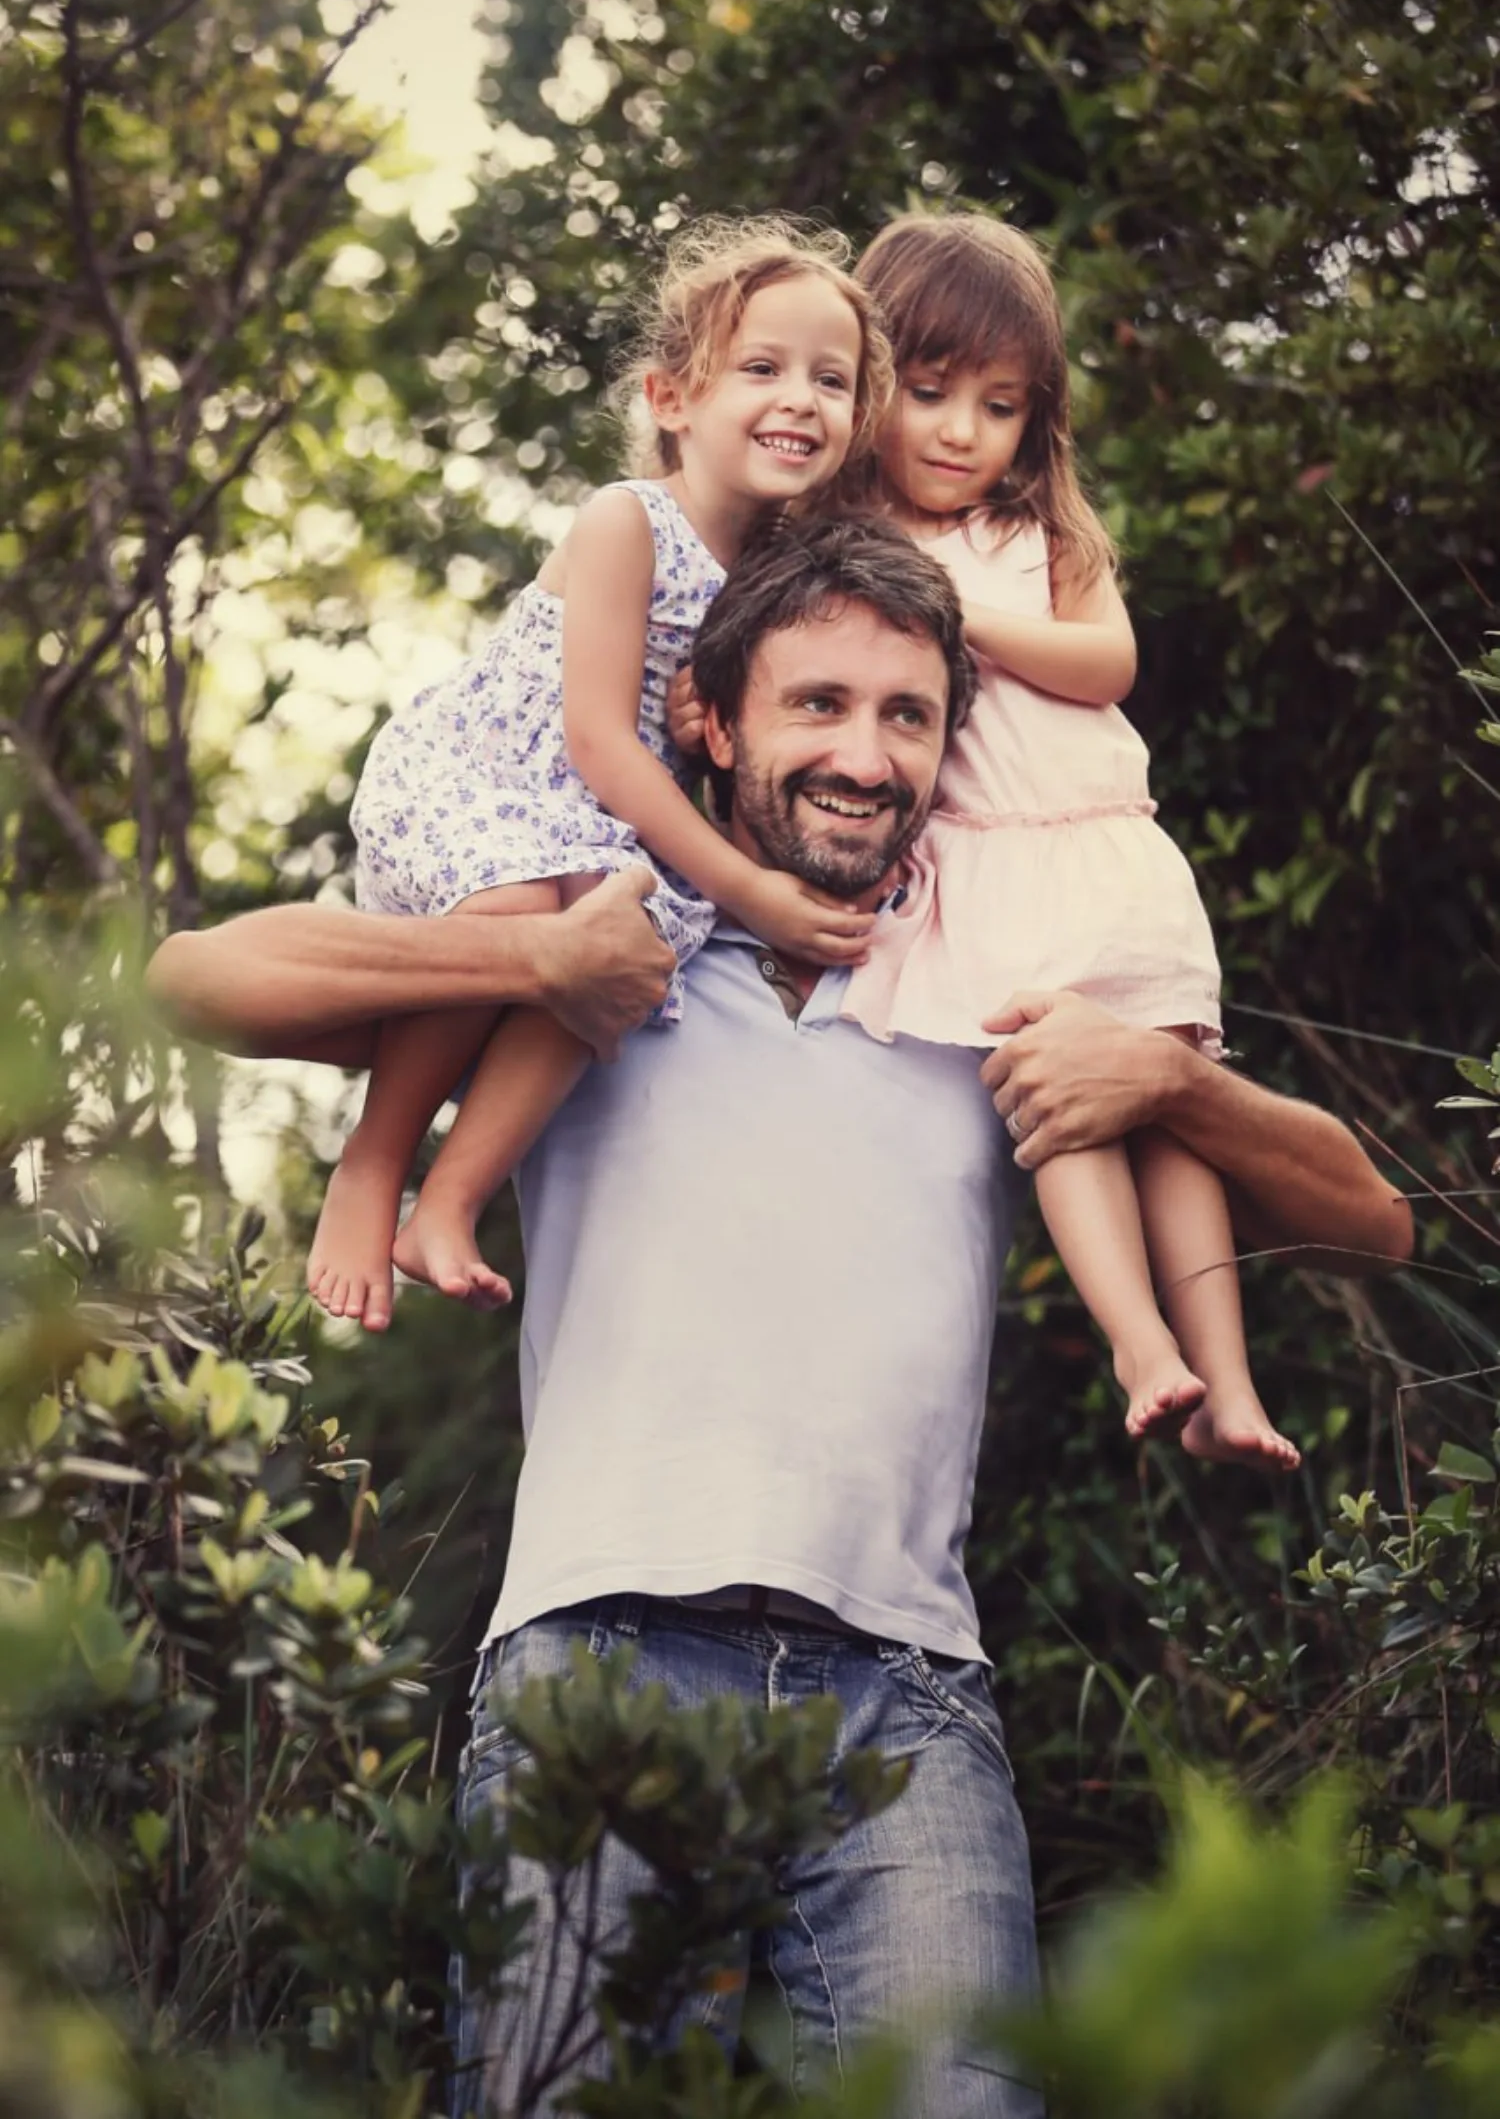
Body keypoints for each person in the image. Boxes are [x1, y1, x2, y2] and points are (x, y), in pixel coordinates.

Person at [147, 517, 1411, 2115]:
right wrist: (540, 951)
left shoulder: (987, 985)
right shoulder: (610, 963)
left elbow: (1372, 1221)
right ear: (712, 720)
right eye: (816, 703)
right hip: (599, 1652)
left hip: (910, 1692)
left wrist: (1169, 1074)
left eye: (907, 716)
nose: (864, 754)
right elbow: (196, 975)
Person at [676, 212, 1295, 1471]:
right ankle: (1140, 1343)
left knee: (1177, 1108)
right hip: (989, 865)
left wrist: (967, 616)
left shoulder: (1041, 538)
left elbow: (1110, 662)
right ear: (876, 388)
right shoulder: (842, 549)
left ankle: (1232, 1380)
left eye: (1000, 406)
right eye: (935, 393)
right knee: (1053, 1107)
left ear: (1036, 419)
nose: (962, 432)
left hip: (1109, 853)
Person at [305, 216, 891, 1332]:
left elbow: (706, 743)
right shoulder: (629, 520)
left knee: (626, 950)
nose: (801, 398)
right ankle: (372, 1163)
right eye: (762, 369)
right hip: (491, 775)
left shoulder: (780, 576)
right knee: (531, 903)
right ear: (673, 400)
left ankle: (452, 1197)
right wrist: (752, 889)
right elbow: (597, 740)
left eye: (832, 379)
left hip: (610, 830)